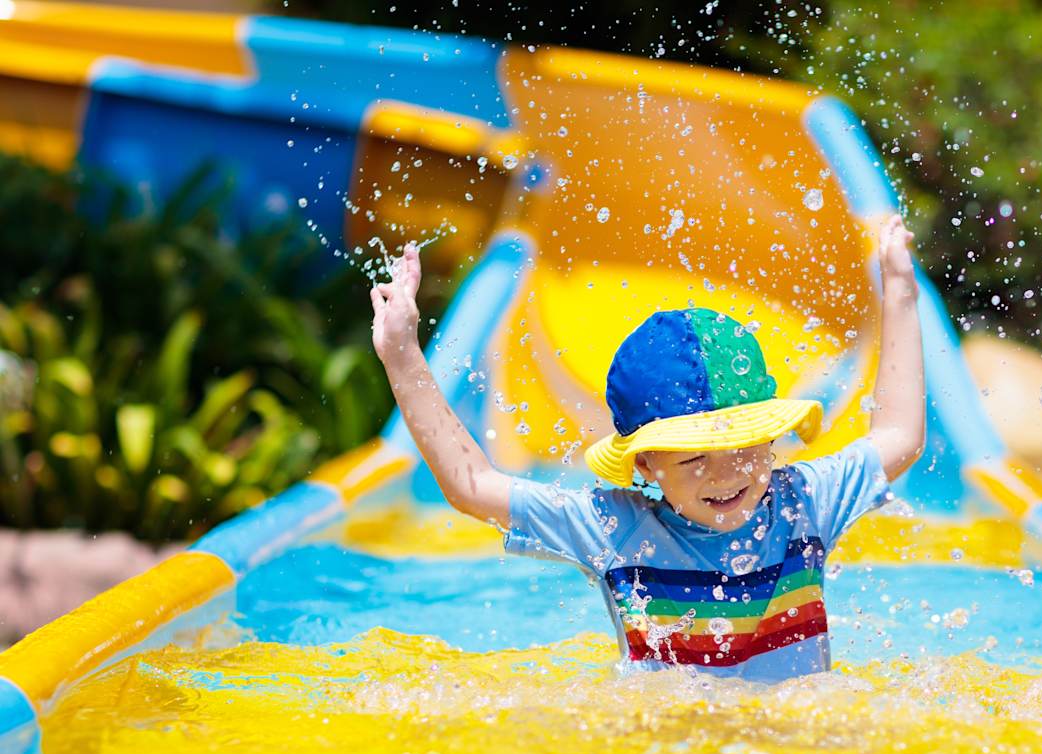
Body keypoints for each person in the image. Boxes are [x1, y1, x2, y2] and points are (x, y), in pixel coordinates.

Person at [371, 215, 925, 682]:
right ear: (645, 465)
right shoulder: (615, 529)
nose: (725, 474)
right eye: (693, 458)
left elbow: (899, 437)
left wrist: (899, 294)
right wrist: (402, 355)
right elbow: (473, 488)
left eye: (744, 448)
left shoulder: (806, 502)